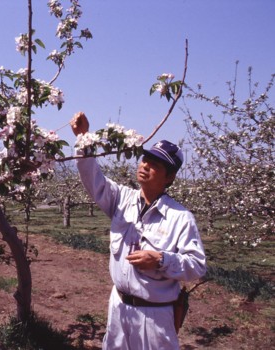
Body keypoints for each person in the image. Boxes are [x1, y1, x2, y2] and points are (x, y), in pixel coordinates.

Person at [70, 112, 206, 350]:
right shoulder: (122, 199)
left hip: (155, 315)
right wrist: (83, 138)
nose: (146, 166)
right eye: (145, 160)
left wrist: (161, 259)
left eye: (156, 165)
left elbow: (196, 266)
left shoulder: (180, 217)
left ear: (170, 177)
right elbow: (93, 179)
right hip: (119, 306)